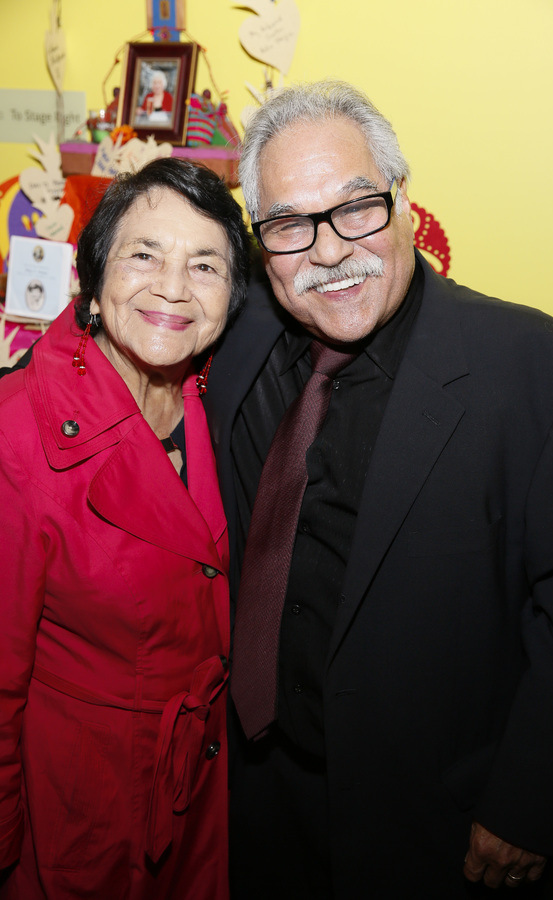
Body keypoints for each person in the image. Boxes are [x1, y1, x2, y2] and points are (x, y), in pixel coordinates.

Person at [200, 81, 553, 897]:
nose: (328, 249)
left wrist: (533, 805)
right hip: (255, 802)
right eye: (289, 225)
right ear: (259, 242)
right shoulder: (234, 339)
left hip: (435, 825)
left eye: (356, 207)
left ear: (405, 202)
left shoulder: (547, 373)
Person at [0, 157, 251, 898]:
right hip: (79, 804)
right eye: (145, 254)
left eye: (204, 264)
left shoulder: (218, 403)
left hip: (200, 789)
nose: (174, 288)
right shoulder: (18, 433)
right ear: (95, 276)